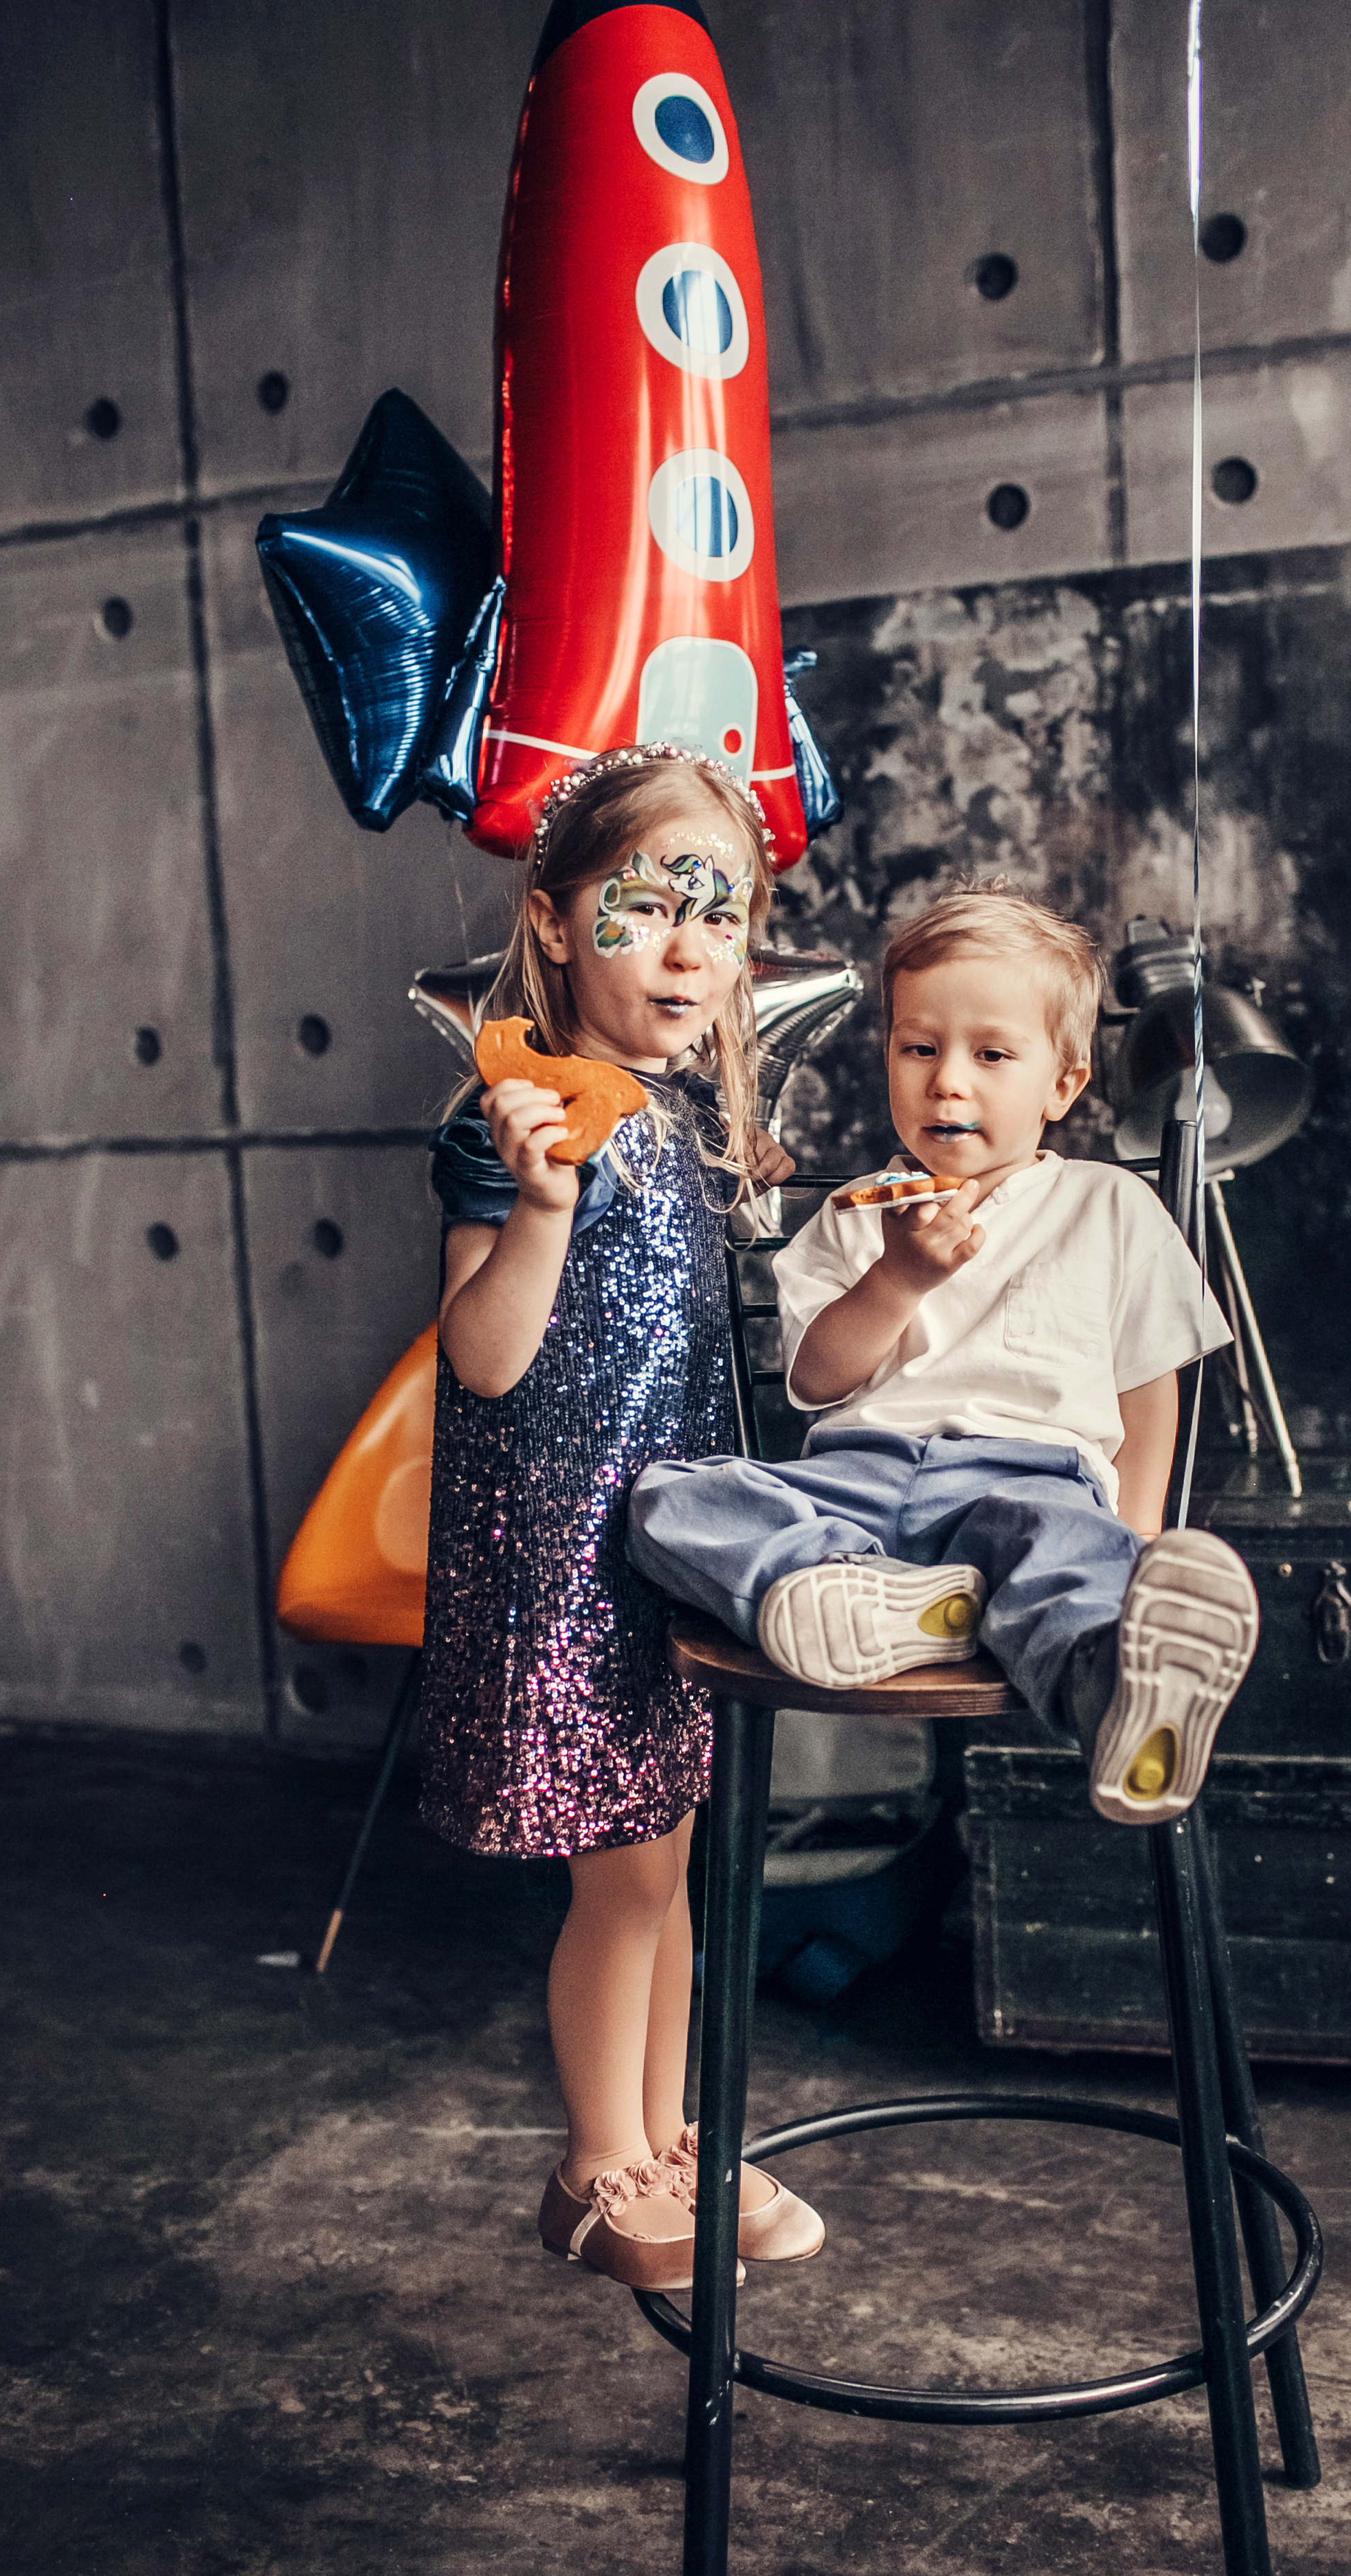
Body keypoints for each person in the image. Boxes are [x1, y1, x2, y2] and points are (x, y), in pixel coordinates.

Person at [421, 744, 824, 2294]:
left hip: (675, 1538)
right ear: (551, 914)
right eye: (642, 908)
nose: (683, 950)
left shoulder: (685, 1113)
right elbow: (486, 1356)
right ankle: (601, 2160)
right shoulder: (512, 1118)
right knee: (623, 1872)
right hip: (563, 1553)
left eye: (715, 918)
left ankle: (673, 2138)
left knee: (673, 1859)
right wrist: (537, 1207)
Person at [629, 884, 1260, 1825]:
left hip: (1031, 1487)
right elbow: (813, 1381)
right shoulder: (860, 1215)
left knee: (1069, 1558)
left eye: (991, 1054)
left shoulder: (1111, 1208)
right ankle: (842, 1593)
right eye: (918, 1048)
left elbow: (1149, 1400)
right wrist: (898, 1279)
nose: (947, 1082)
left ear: (1062, 1083)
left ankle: (1114, 1685)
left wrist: (1136, 1544)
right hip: (853, 1493)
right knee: (666, 1499)